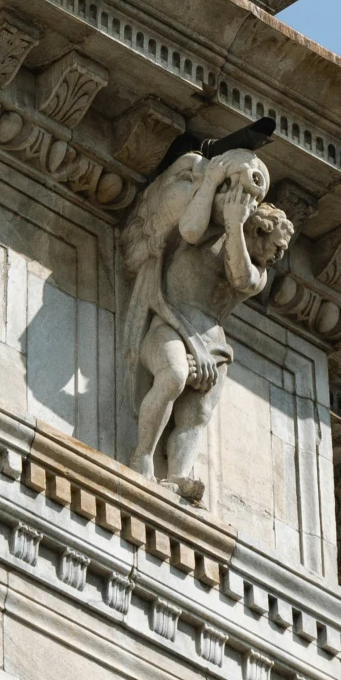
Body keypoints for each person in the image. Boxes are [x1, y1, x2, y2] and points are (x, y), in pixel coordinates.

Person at [121, 146, 294, 501]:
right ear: (259, 232)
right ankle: (142, 455)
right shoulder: (209, 224)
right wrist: (215, 177)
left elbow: (241, 278)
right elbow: (188, 229)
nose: (277, 257)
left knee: (197, 413)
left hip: (213, 344)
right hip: (170, 321)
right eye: (276, 247)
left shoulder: (256, 274)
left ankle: (178, 475)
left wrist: (234, 225)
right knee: (173, 376)